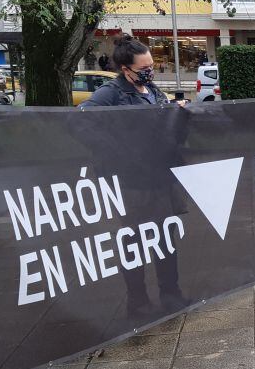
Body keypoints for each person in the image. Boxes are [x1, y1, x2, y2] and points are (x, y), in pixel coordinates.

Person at [78, 35, 190, 316]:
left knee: (165, 238)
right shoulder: (111, 92)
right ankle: (137, 301)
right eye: (144, 67)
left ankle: (170, 294)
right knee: (135, 242)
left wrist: (177, 114)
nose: (149, 71)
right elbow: (82, 118)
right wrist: (117, 150)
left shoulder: (152, 90)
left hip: (160, 177)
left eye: (151, 65)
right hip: (132, 182)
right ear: (125, 68)